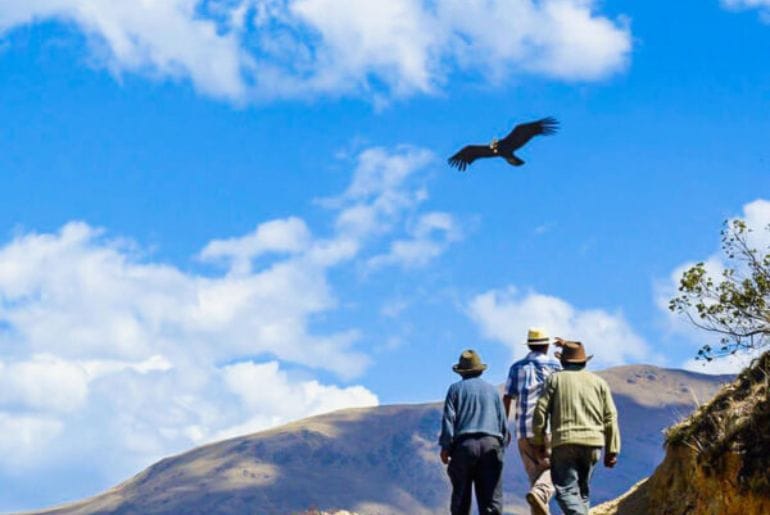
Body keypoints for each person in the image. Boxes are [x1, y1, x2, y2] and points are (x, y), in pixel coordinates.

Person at [532, 339, 620, 515]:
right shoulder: (599, 383)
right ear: (584, 362)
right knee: (582, 493)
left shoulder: (554, 380)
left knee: (565, 490)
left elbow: (540, 411)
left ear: (563, 361)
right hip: (594, 444)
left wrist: (540, 441)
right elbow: (610, 417)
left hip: (564, 442)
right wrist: (612, 449)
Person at [439, 349, 509, 515]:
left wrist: (445, 447)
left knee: (461, 498)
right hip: (491, 444)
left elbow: (449, 420)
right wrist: (501, 447)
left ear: (461, 372)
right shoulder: (492, 391)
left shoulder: (455, 390)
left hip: (464, 446)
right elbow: (503, 423)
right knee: (491, 500)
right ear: (479, 370)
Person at [503, 328, 562, 515]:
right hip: (548, 427)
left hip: (523, 430)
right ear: (546, 345)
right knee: (556, 471)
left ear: (529, 345)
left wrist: (504, 427)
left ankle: (538, 497)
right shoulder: (556, 366)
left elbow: (507, 398)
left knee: (536, 477)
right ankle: (540, 493)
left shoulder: (516, 367)